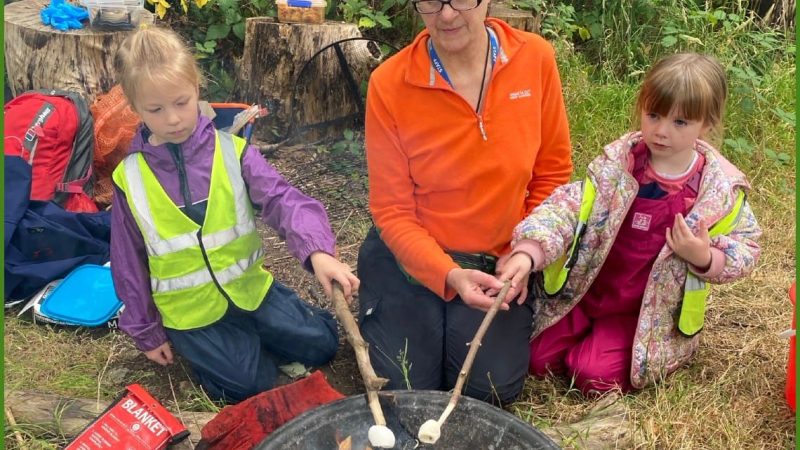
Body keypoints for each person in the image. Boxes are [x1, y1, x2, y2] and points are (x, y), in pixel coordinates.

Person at [109, 26, 359, 404]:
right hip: (192, 316)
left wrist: (317, 250)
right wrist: (147, 331)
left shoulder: (234, 152)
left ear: (197, 88)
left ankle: (254, 337)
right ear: (134, 108)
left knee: (323, 344)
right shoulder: (130, 178)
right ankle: (229, 352)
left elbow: (282, 199)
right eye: (155, 110)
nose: (173, 119)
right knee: (248, 386)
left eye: (181, 101)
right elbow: (127, 260)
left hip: (250, 292)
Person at [504, 53, 762, 395]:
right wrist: (529, 250)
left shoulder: (715, 192)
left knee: (591, 374)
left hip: (645, 314)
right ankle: (580, 333)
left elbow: (747, 246)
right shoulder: (619, 168)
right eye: (653, 115)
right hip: (588, 291)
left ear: (707, 124)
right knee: (535, 359)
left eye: (680, 122)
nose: (661, 131)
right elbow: (565, 208)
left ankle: (644, 351)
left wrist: (705, 257)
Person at [357, 0, 573, 404]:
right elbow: (393, 210)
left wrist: (524, 252)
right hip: (410, 261)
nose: (447, 14)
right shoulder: (390, 83)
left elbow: (553, 175)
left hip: (498, 265)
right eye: (430, 1)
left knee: (488, 392)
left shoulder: (534, 59)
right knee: (407, 391)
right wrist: (448, 274)